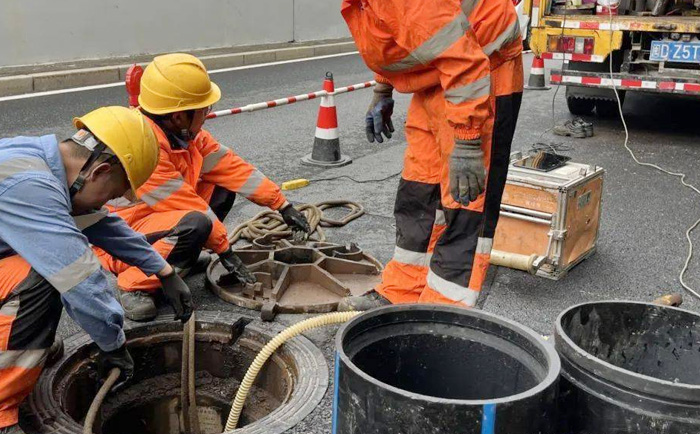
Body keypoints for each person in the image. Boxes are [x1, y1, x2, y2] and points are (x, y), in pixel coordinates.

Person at [0, 106, 193, 433]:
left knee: (41, 276)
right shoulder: (30, 187)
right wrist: (112, 343)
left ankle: (23, 346)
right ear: (101, 170)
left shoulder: (44, 164)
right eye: (114, 194)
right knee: (44, 278)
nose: (107, 204)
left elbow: (101, 224)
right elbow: (81, 279)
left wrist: (163, 271)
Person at [338, 0, 524, 310]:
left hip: (479, 72)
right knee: (419, 190)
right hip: (438, 71)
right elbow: (403, 30)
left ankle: (444, 310)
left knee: (466, 205)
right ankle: (402, 292)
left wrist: (467, 141)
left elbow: (463, 60)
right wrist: (383, 88)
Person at [99, 53, 311, 321]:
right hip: (121, 238)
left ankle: (180, 257)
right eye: (203, 110)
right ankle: (135, 284)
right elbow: (187, 205)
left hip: (155, 221)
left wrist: (282, 205)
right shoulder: (143, 146)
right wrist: (225, 250)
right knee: (196, 224)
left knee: (222, 188)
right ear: (179, 116)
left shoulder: (185, 136)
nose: (207, 115)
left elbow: (233, 169)